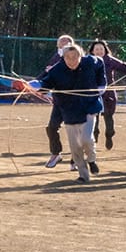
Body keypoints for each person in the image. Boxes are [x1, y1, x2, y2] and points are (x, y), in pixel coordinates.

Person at [32, 43, 105, 182]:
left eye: (75, 57)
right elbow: (46, 84)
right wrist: (36, 86)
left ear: (80, 56)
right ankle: (83, 175)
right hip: (69, 110)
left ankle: (91, 160)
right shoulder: (57, 70)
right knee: (75, 146)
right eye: (68, 57)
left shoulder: (90, 62)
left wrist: (102, 84)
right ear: (63, 58)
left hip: (89, 106)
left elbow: (101, 62)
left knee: (86, 138)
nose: (71, 60)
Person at [39, 34, 77, 168]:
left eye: (66, 44)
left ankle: (75, 159)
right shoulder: (55, 59)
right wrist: (31, 85)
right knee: (51, 128)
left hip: (76, 103)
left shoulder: (80, 60)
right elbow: (44, 77)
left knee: (75, 130)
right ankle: (56, 154)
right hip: (59, 101)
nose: (63, 46)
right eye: (61, 44)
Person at [88, 40, 126, 151]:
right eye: (96, 49)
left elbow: (124, 67)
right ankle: (93, 140)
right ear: (92, 51)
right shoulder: (88, 61)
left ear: (105, 50)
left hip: (108, 93)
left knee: (108, 116)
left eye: (101, 49)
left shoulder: (110, 60)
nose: (99, 51)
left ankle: (109, 135)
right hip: (93, 93)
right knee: (93, 117)